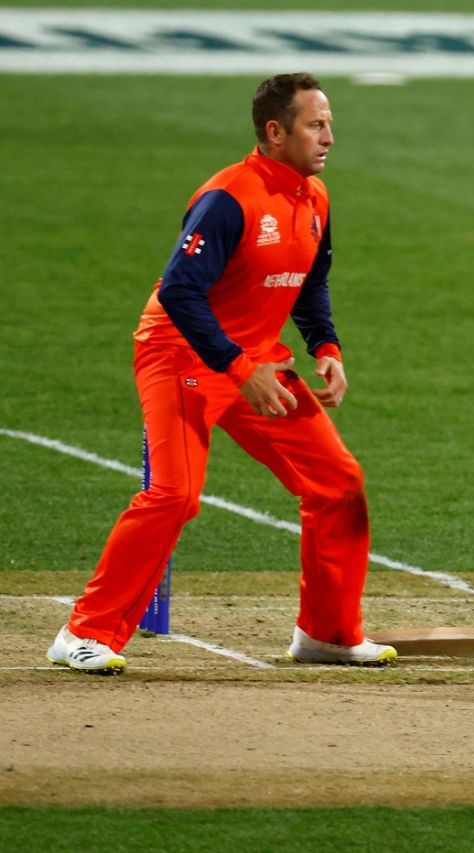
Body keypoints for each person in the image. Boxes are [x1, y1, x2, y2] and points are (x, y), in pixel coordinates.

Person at [46, 73, 395, 674]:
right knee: (174, 495)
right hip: (182, 355)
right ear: (275, 131)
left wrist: (326, 347)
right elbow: (181, 292)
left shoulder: (315, 198)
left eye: (330, 123)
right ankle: (84, 632)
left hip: (255, 360)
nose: (329, 137)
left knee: (338, 484)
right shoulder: (229, 198)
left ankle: (328, 634)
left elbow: (310, 281)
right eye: (316, 124)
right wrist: (238, 367)